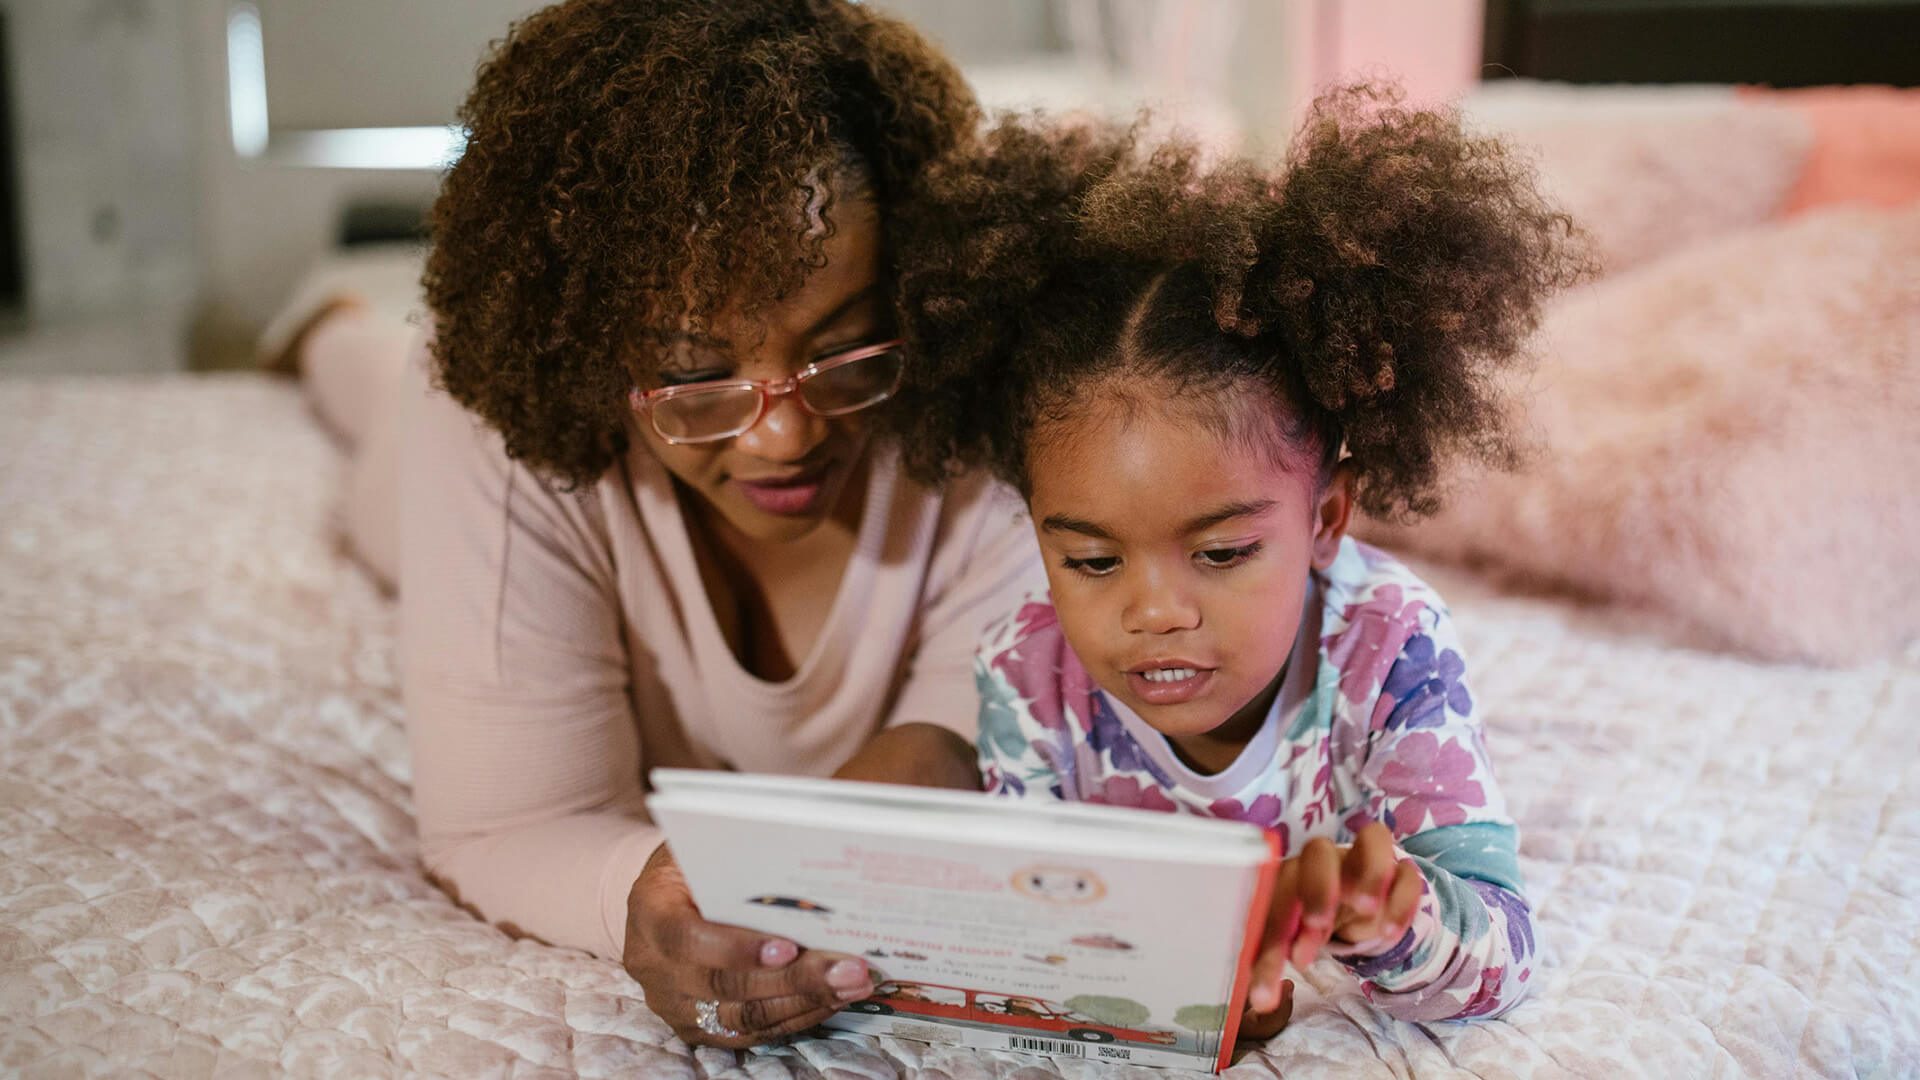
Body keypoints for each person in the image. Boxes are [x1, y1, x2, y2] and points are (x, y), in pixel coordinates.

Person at [305, 0, 1047, 1050]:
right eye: (697, 374)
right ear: (589, 354)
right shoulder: (496, 420)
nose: (781, 439)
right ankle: (329, 327)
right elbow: (506, 823)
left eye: (843, 349)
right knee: (379, 436)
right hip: (420, 447)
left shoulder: (981, 394)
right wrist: (639, 893)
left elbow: (962, 735)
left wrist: (800, 864)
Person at [889, 86, 1586, 1037]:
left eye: (1220, 551)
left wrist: (1391, 916)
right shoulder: (1027, 669)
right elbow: (1031, 941)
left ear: (1328, 518)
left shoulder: (1391, 649)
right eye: (1091, 560)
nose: (1154, 611)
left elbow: (1503, 956)